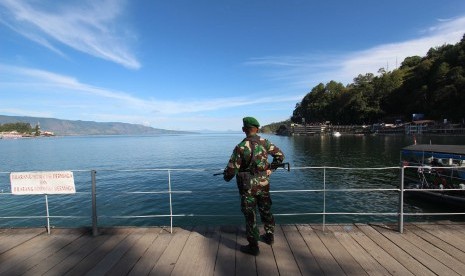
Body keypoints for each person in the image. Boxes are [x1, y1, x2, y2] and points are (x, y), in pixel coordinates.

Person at [223, 116, 285, 256]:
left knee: (250, 215)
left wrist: (226, 176)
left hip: (247, 187)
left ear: (244, 129)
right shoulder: (265, 142)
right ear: (257, 129)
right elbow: (280, 156)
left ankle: (253, 246)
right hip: (264, 184)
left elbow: (231, 170)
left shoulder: (240, 147)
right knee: (266, 210)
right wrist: (271, 168)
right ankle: (269, 237)